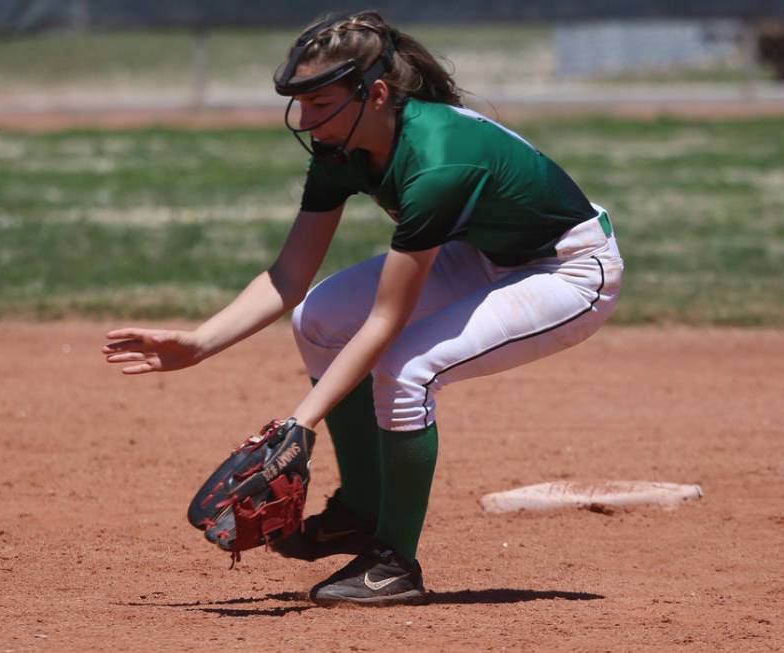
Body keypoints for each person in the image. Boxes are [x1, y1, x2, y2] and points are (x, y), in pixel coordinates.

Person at [103, 11, 623, 607]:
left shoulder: (438, 163)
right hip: (480, 252)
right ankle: (360, 509)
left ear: (375, 93)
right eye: (301, 105)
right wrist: (199, 343)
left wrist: (299, 423)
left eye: (320, 103)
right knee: (318, 321)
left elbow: (386, 320)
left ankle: (394, 563)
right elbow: (289, 275)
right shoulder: (342, 146)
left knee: (406, 368)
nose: (306, 120)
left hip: (567, 270)